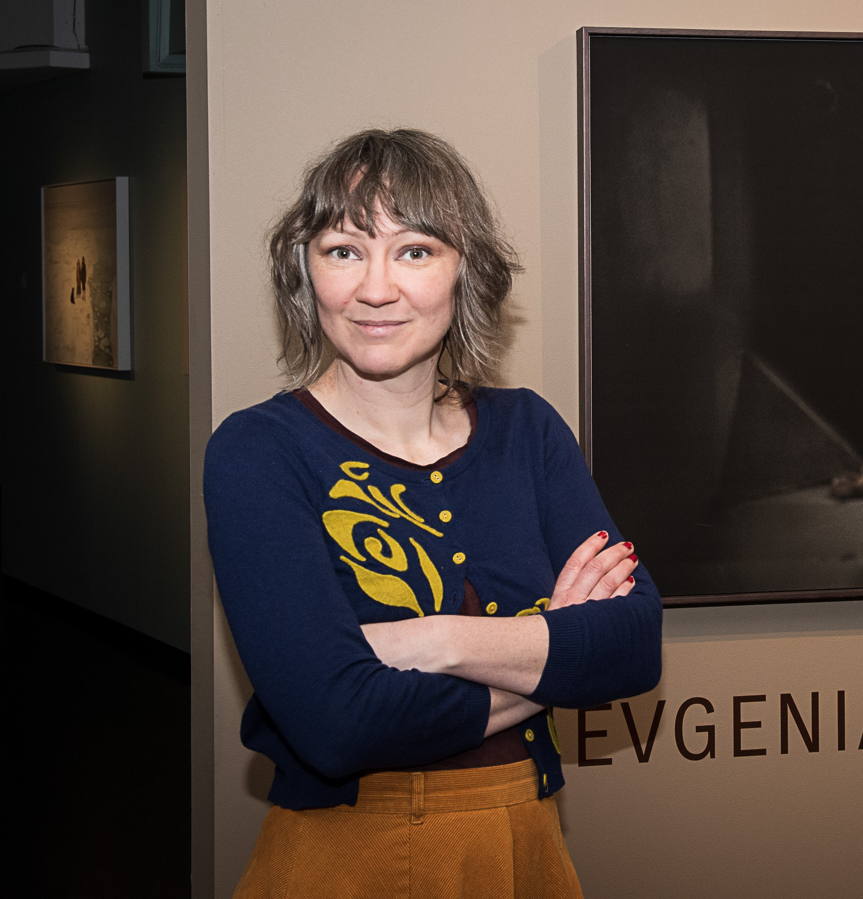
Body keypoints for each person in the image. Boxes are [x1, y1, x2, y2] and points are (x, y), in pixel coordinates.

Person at [204, 128, 662, 897]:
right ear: (304, 272)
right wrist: (551, 648)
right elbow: (336, 721)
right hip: (351, 854)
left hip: (530, 843)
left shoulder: (528, 429)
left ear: (465, 272)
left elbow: (633, 647)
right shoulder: (259, 450)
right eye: (343, 251)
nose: (375, 288)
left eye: (415, 251)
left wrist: (434, 640)